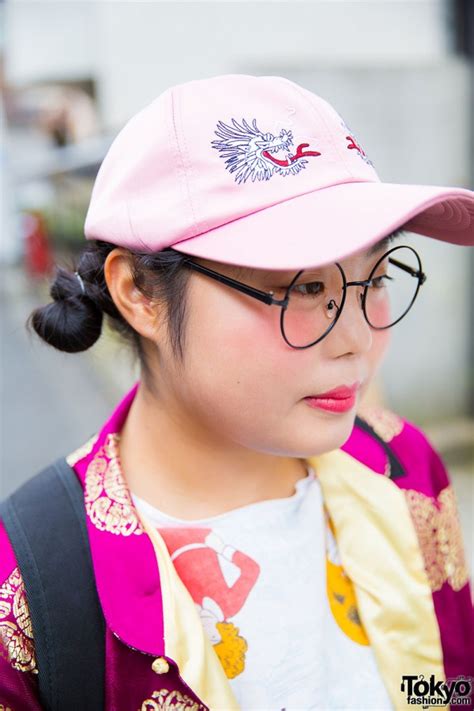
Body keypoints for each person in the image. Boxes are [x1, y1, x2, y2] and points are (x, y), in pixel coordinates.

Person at [1, 73, 473, 711]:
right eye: (307, 288)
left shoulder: (402, 465)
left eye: (378, 275)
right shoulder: (30, 589)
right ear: (140, 292)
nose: (360, 339)